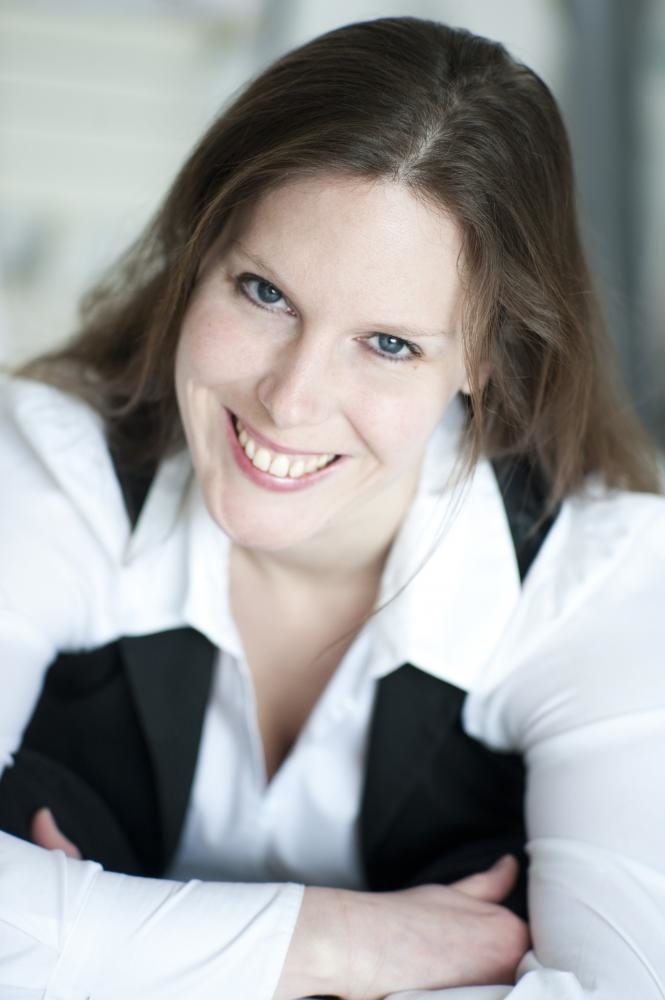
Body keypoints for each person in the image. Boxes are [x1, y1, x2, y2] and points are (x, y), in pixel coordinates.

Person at [0, 14, 664, 1000]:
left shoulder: (598, 580)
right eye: (263, 292)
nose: (291, 398)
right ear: (196, 254)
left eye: (388, 343)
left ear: (483, 359)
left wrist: (103, 950)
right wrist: (334, 942)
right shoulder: (47, 465)